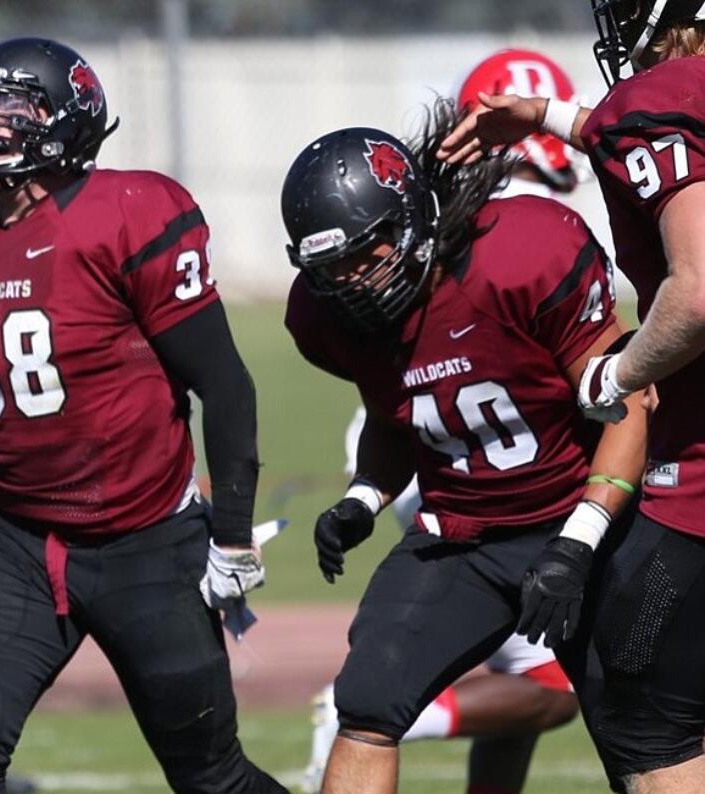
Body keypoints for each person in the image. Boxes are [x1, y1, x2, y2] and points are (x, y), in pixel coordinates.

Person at [0, 37, 285, 794]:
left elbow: (225, 385)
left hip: (149, 538)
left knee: (211, 776)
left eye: (14, 109)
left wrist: (232, 537)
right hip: (19, 540)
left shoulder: (128, 213)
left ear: (68, 121)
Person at [282, 107, 648, 794]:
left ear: (411, 222)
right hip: (463, 537)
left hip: (586, 520)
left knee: (651, 732)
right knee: (367, 698)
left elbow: (627, 406)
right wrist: (363, 499)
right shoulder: (324, 318)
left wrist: (580, 541)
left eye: (365, 252)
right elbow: (402, 416)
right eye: (331, 267)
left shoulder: (520, 254)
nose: (352, 279)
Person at [437, 2, 705, 791]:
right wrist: (552, 115)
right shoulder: (657, 110)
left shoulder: (656, 98)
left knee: (635, 702)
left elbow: (695, 297)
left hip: (693, 494)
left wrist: (613, 376)